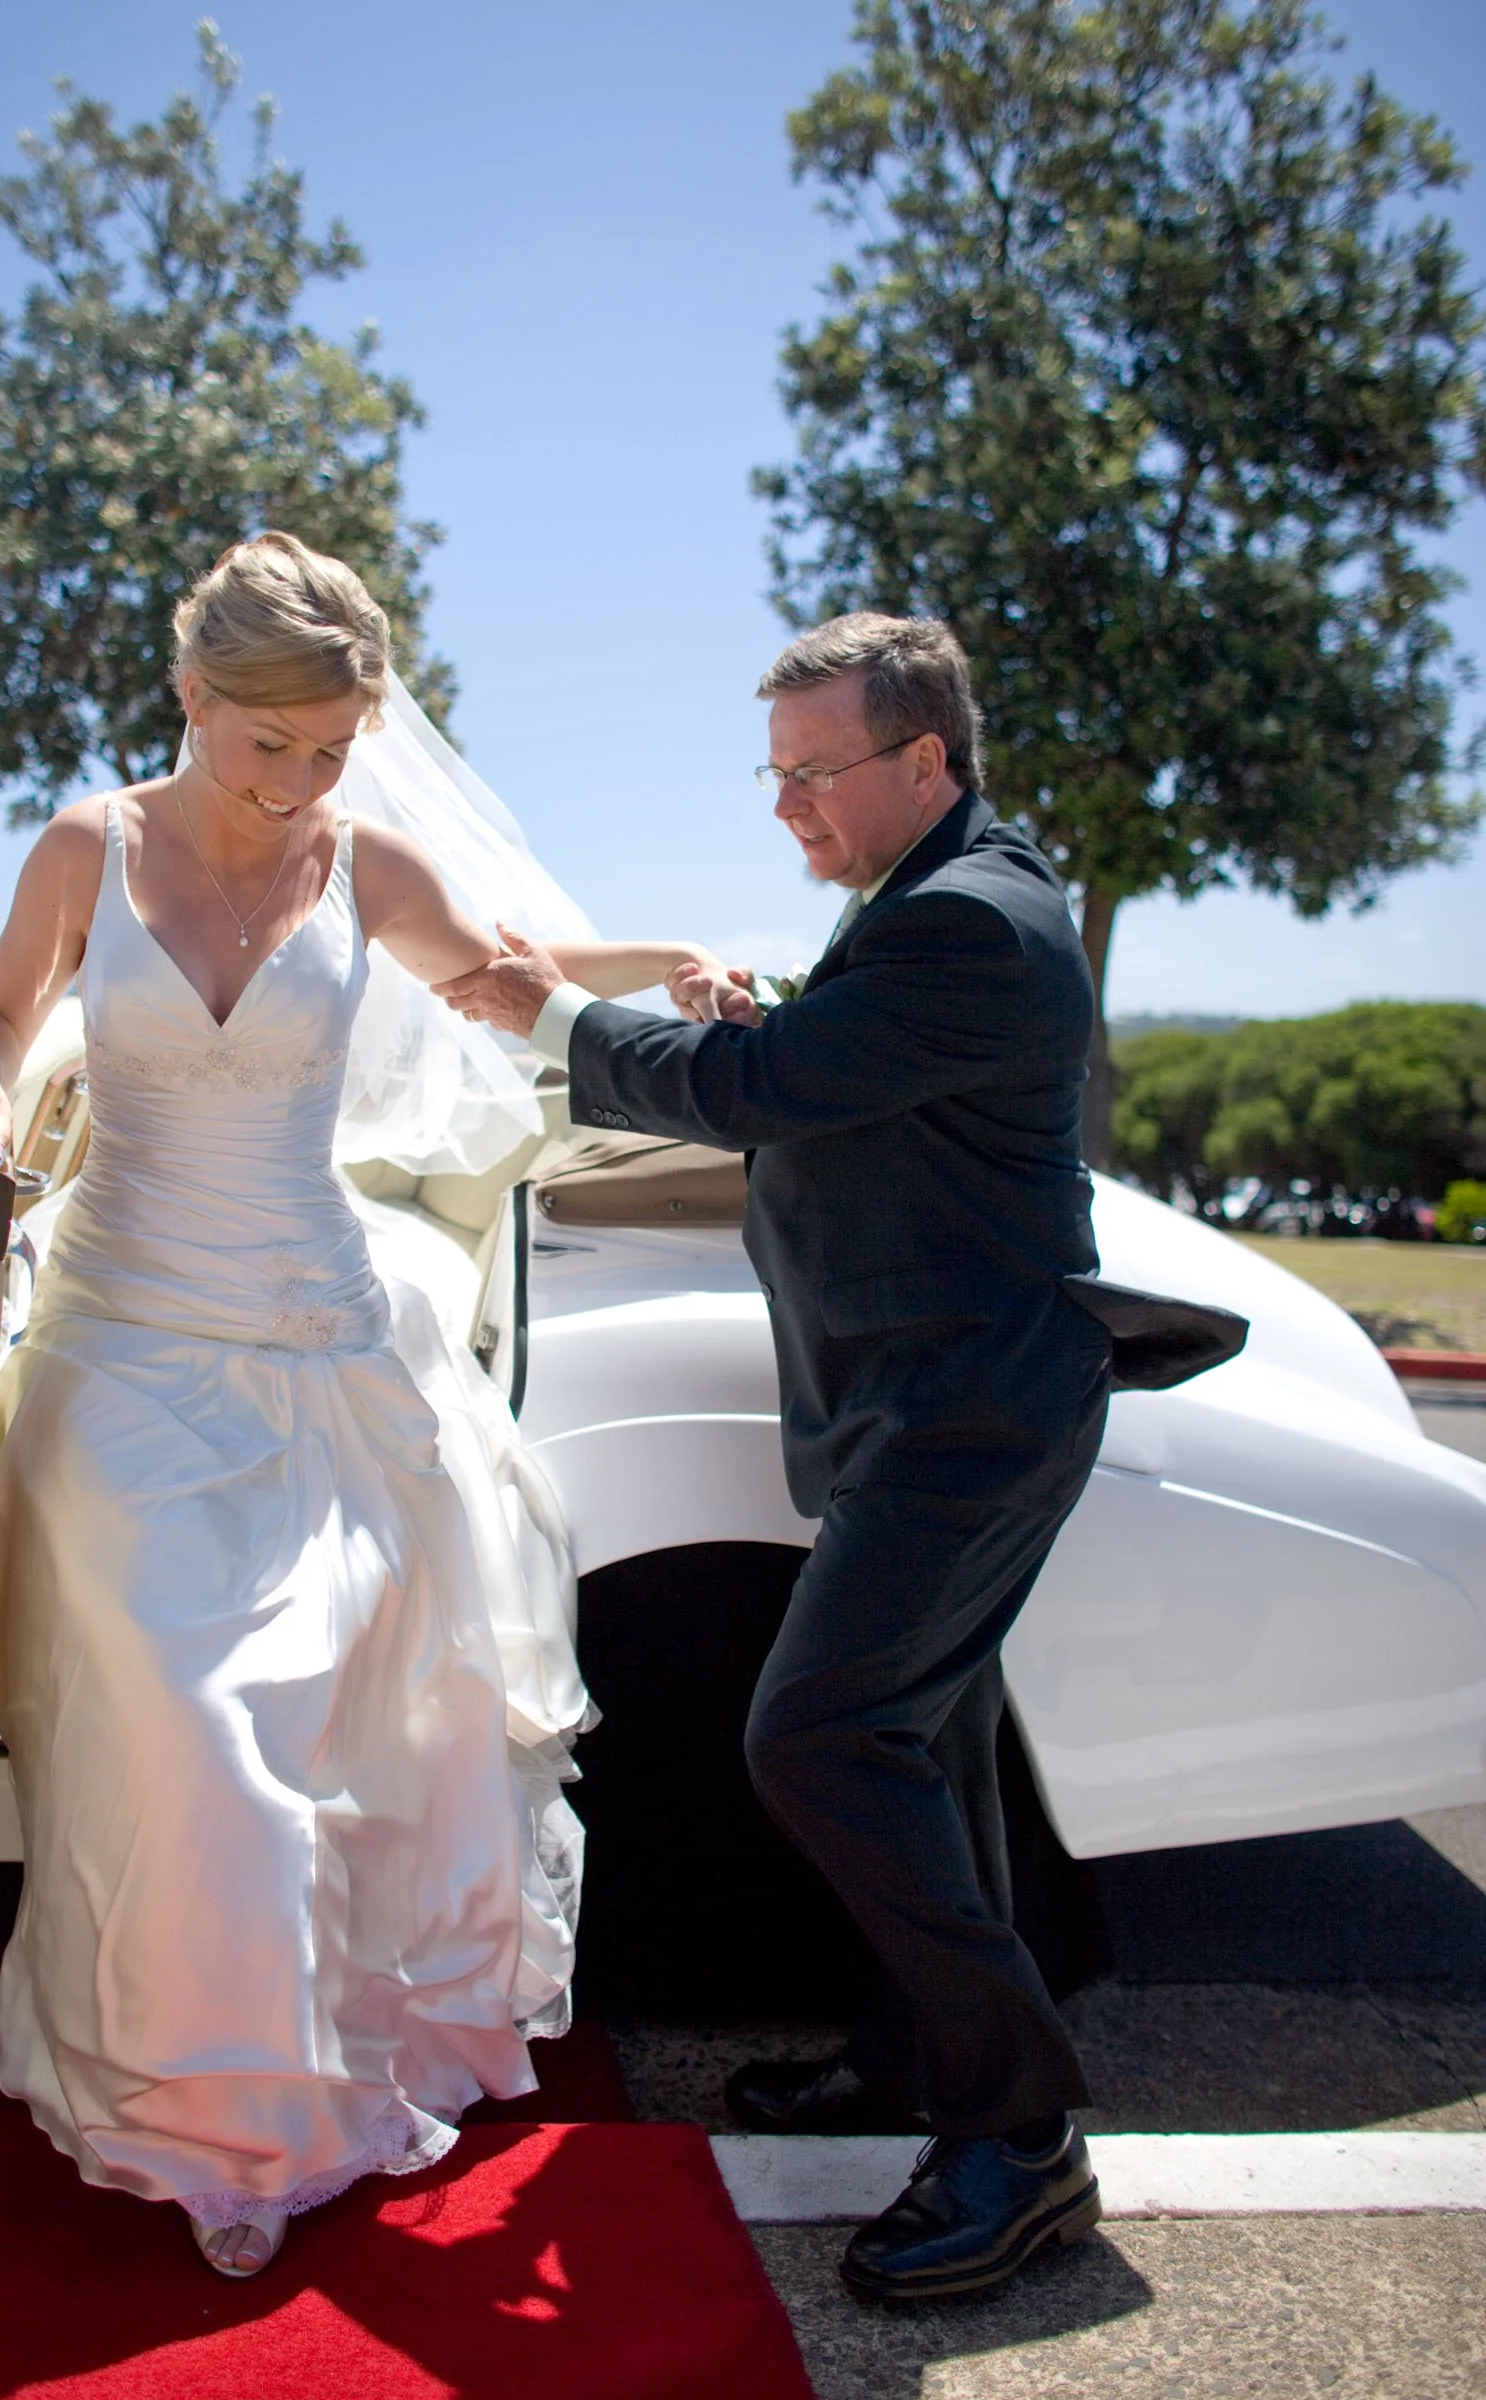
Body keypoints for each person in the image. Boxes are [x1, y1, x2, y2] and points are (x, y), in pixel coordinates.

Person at [0, 531, 731, 2279]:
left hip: (319, 1346)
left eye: (333, 753)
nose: (298, 788)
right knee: (180, 1736)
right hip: (121, 1340)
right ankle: (162, 2091)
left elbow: (511, 979)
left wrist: (679, 969)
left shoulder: (366, 859)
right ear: (191, 697)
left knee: (300, 1755)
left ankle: (259, 2117)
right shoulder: (87, 846)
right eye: (269, 746)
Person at [435, 613, 1113, 2304]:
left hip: (965, 1415)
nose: (788, 807)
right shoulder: (924, 902)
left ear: (926, 761)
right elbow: (834, 1076)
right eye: (777, 773)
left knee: (819, 1738)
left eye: (815, 773)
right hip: (922, 1403)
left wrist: (555, 1015)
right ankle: (910, 2056)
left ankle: (1021, 2144)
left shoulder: (970, 918)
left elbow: (770, 1092)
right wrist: (771, 1019)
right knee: (930, 1756)